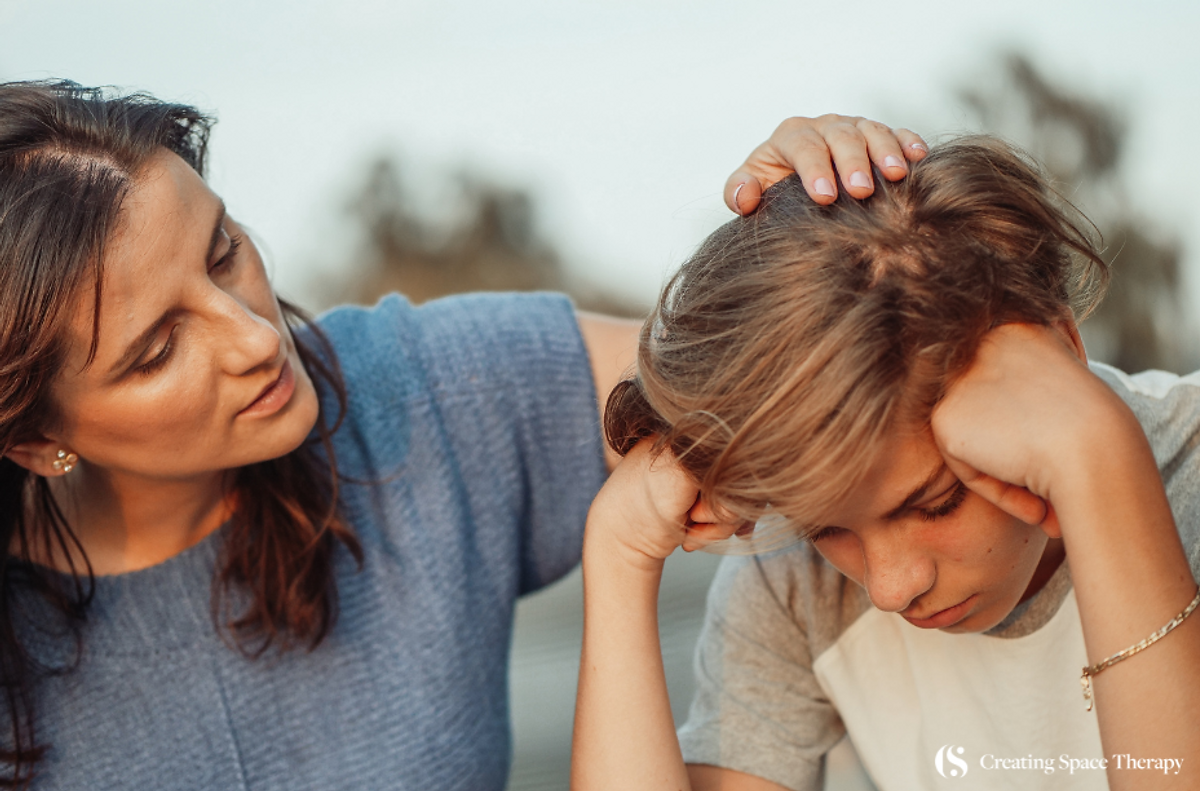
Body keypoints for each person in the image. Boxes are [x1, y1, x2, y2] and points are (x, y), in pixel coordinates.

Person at [0, 79, 926, 789]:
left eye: (222, 252)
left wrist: (830, 231)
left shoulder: (427, 388)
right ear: (37, 440)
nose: (255, 336)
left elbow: (785, 370)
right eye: (159, 348)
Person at [572, 137, 1200, 790]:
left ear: (1062, 352)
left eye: (933, 503)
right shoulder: (796, 584)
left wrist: (1098, 457)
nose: (889, 587)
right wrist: (618, 553)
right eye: (827, 528)